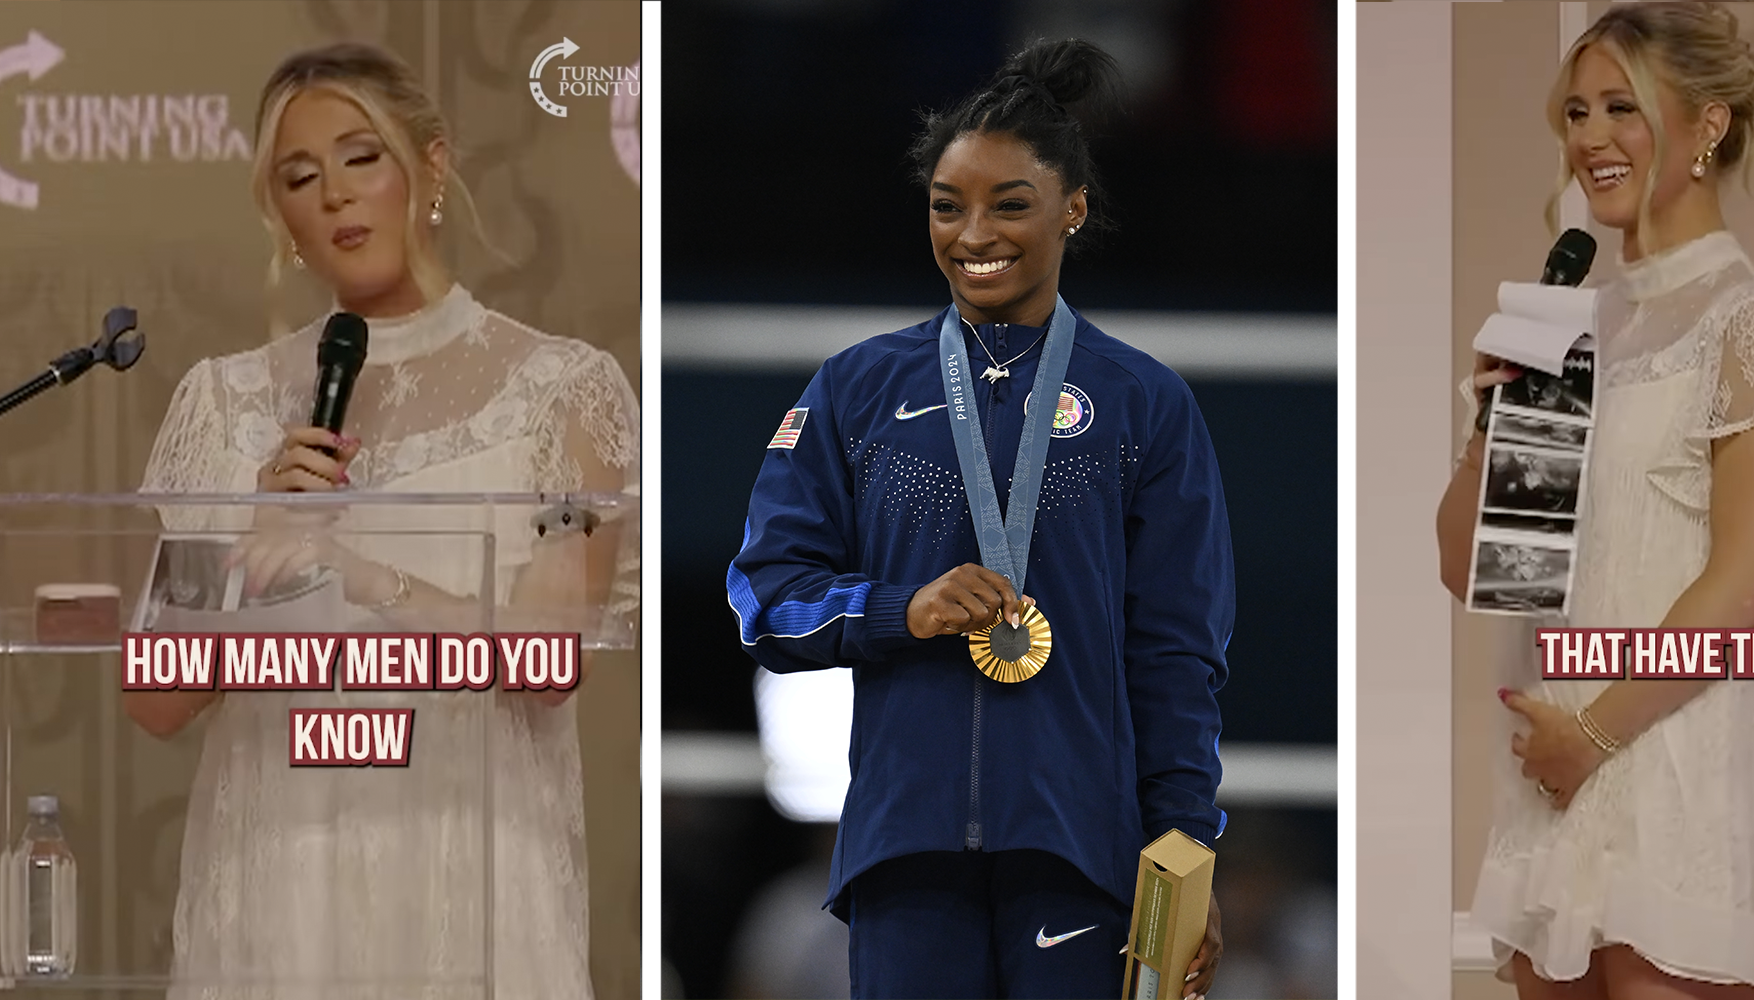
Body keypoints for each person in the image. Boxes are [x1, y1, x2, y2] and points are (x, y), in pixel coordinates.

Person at [127, 42, 641, 999]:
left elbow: (546, 661)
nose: (334, 195)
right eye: (299, 177)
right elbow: (156, 702)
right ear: (280, 216)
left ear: (431, 166)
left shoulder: (562, 391)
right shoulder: (224, 403)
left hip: (469, 875)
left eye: (361, 158)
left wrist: (359, 575)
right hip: (281, 881)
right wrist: (246, 544)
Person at [728, 38, 1232, 1000]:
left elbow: (1178, 652)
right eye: (946, 205)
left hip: (1081, 852)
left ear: (1071, 207)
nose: (973, 234)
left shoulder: (1142, 403)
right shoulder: (856, 390)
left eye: (1009, 204)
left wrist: (1184, 846)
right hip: (905, 851)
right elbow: (765, 597)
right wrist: (901, 610)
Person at [1435, 5, 1754, 999]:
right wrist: (1489, 425)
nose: (1590, 137)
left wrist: (1594, 736)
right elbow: (1480, 570)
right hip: (1554, 776)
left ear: (1706, 124)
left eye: (1621, 107)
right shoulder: (1567, 328)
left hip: (1682, 776)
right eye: (1576, 112)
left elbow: (1744, 588)